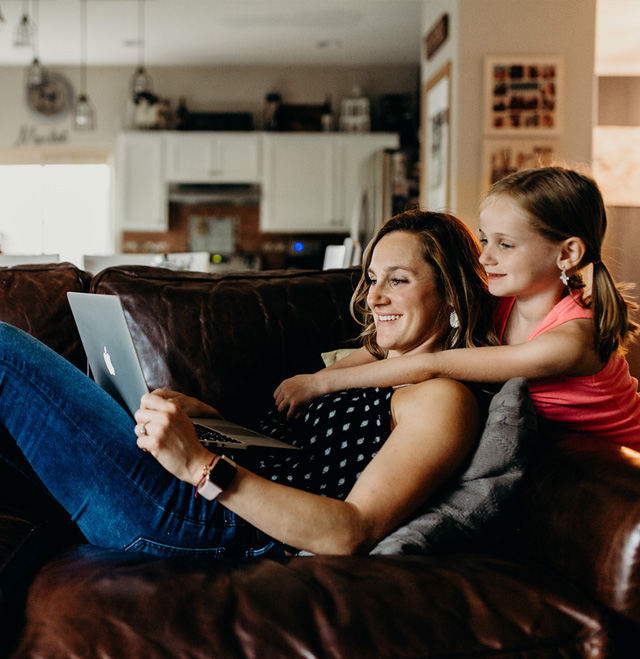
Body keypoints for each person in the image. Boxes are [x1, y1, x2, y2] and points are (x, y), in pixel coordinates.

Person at [0, 210, 497, 560]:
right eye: (371, 279)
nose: (374, 297)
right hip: (193, 492)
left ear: (451, 292)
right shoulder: (366, 368)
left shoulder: (441, 399)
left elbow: (351, 531)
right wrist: (204, 418)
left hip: (210, 521)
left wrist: (199, 465)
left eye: (399, 280)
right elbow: (288, 451)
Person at [276, 166, 640, 449]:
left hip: (621, 464)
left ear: (567, 253)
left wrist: (321, 383)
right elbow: (381, 348)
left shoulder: (569, 340)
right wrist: (312, 378)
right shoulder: (499, 302)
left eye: (506, 245)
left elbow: (431, 364)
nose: (485, 256)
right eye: (484, 240)